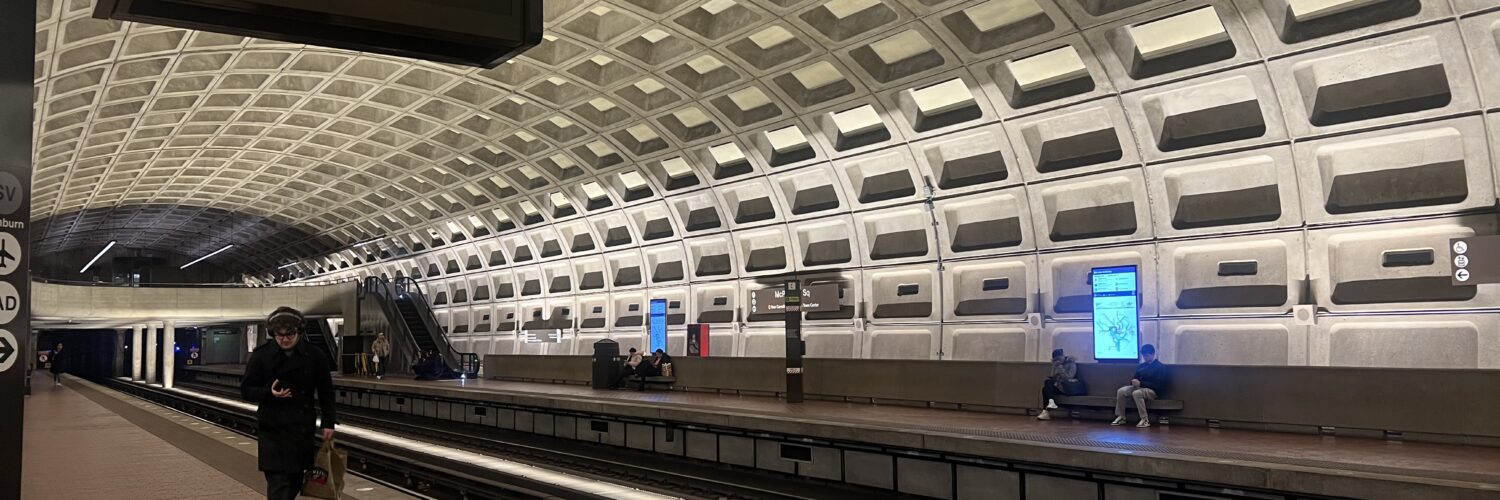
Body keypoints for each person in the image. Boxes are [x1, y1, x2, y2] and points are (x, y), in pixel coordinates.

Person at [240, 307, 337, 500]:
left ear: (299, 332)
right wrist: (269, 392)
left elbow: (326, 390)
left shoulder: (315, 355)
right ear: (273, 334)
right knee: (279, 485)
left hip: (300, 429)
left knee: (293, 483)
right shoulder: (261, 356)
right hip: (272, 429)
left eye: (290, 334)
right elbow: (246, 390)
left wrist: (329, 421)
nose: (284, 339)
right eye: (280, 335)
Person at [1112, 344, 1168, 428]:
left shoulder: (1160, 367)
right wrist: (1133, 382)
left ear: (1153, 354)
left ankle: (1145, 419)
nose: (1145, 358)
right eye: (1144, 356)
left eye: (1147, 356)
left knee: (1137, 393)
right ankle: (1121, 416)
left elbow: (1159, 385)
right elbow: (1135, 378)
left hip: (1152, 390)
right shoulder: (1141, 366)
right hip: (1139, 387)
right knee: (1121, 391)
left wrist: (1141, 384)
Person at [1036, 349, 1084, 421]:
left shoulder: (1071, 364)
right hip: (1058, 386)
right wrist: (1054, 367)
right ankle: (1050, 403)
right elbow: (1051, 376)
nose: (1058, 360)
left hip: (1067, 387)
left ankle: (1046, 411)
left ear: (1063, 356)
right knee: (1046, 385)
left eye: (1059, 358)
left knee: (1046, 387)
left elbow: (1069, 377)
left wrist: (1060, 367)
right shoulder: (1056, 364)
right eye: (1055, 359)